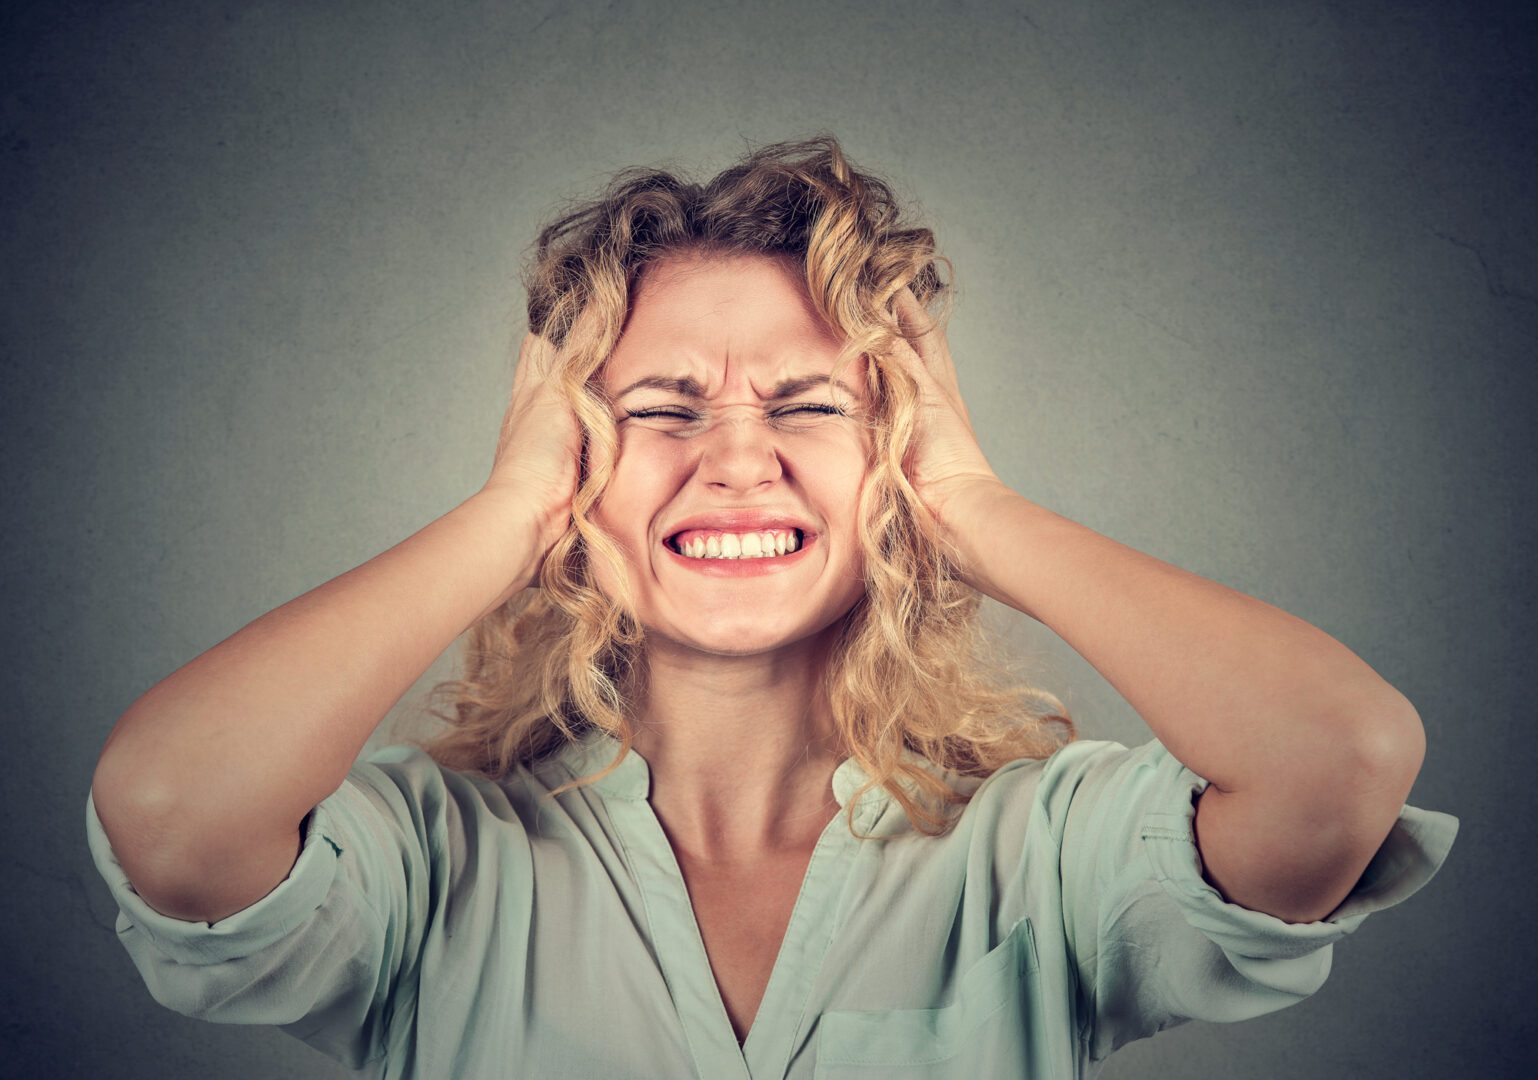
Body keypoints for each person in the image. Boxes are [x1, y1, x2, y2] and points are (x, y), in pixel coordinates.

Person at [85, 135, 1458, 1079]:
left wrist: (971, 506)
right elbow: (171, 814)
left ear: (896, 466)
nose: (737, 459)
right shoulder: (433, 856)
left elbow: (1335, 761)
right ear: (570, 463)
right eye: (661, 410)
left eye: (808, 407)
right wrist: (506, 520)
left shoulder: (1044, 850)